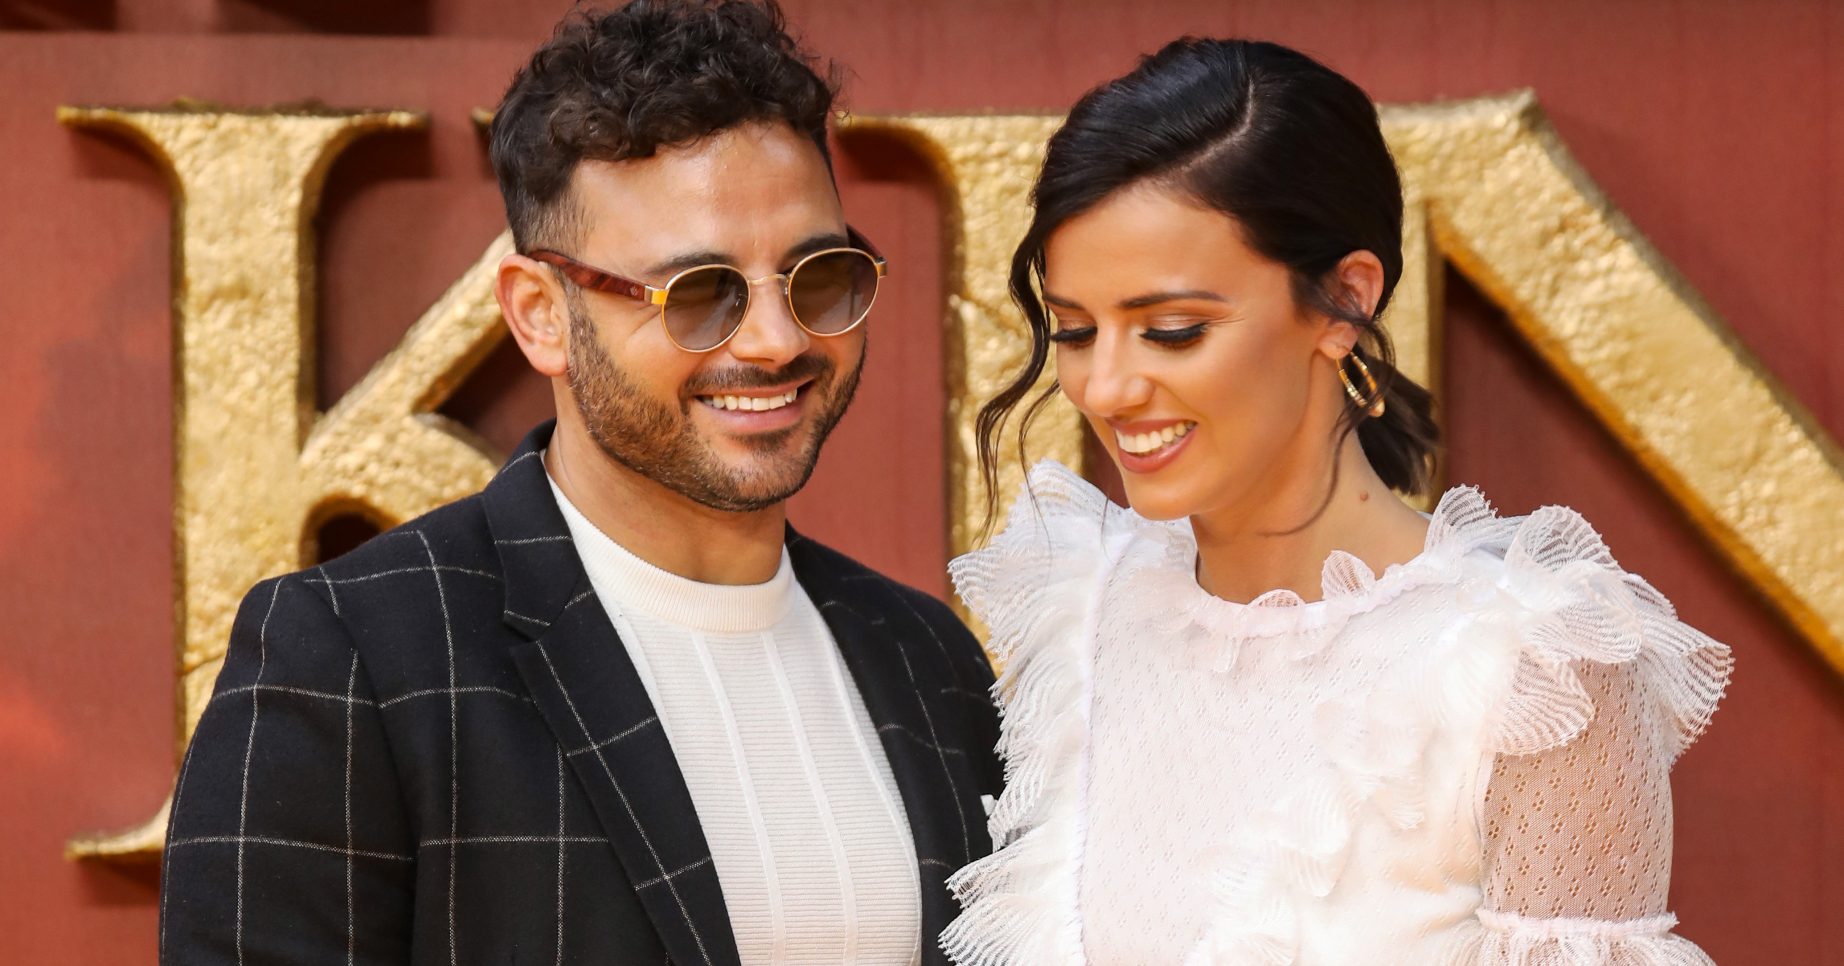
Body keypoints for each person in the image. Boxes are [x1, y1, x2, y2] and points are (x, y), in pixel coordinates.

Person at [159, 3, 1002, 964]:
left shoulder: (926, 656)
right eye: (699, 294)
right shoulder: (352, 656)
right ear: (539, 315)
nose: (778, 340)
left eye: (819, 275)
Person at [941, 38, 1731, 966]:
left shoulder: (1534, 672)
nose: (1105, 387)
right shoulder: (1085, 611)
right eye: (1074, 331)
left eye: (1173, 330)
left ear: (1344, 302)